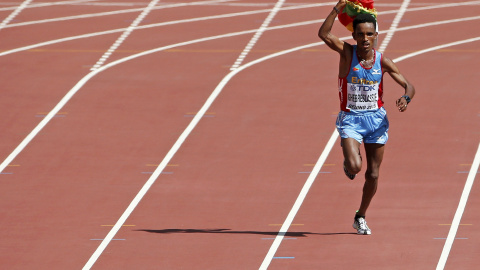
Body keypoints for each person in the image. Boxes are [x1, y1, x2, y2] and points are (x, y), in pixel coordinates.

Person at [318, 0, 415, 235]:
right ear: (354, 35)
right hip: (351, 119)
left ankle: (360, 215)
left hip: (376, 121)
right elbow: (324, 34)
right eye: (360, 34)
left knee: (372, 173)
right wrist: (337, 8)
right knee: (355, 166)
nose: (364, 39)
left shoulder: (382, 61)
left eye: (369, 34)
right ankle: (347, 161)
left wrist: (406, 98)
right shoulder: (347, 52)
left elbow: (409, 85)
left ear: (375, 35)